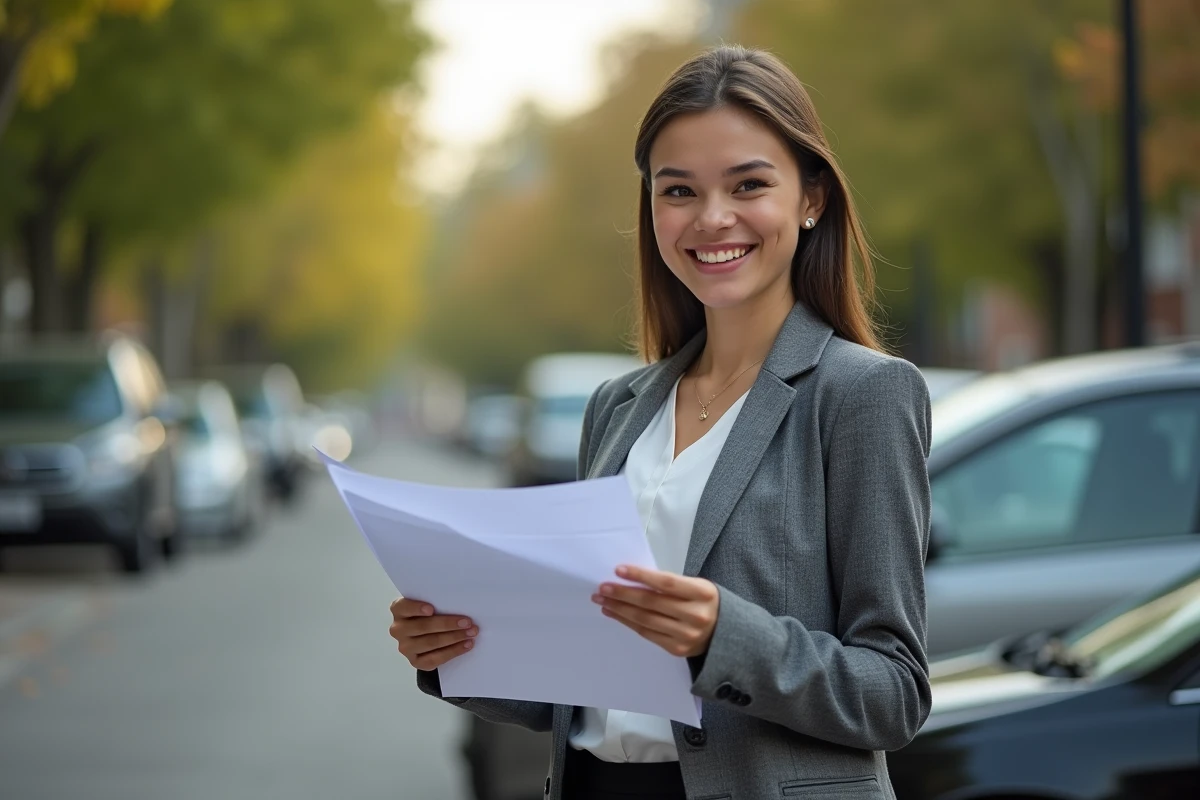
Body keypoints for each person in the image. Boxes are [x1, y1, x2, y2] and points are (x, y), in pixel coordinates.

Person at [389, 44, 931, 800]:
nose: (712, 219)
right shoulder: (618, 407)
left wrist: (724, 638)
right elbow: (581, 691)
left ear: (811, 199)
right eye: (679, 191)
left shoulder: (864, 396)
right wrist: (456, 653)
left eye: (748, 184)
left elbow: (894, 691)